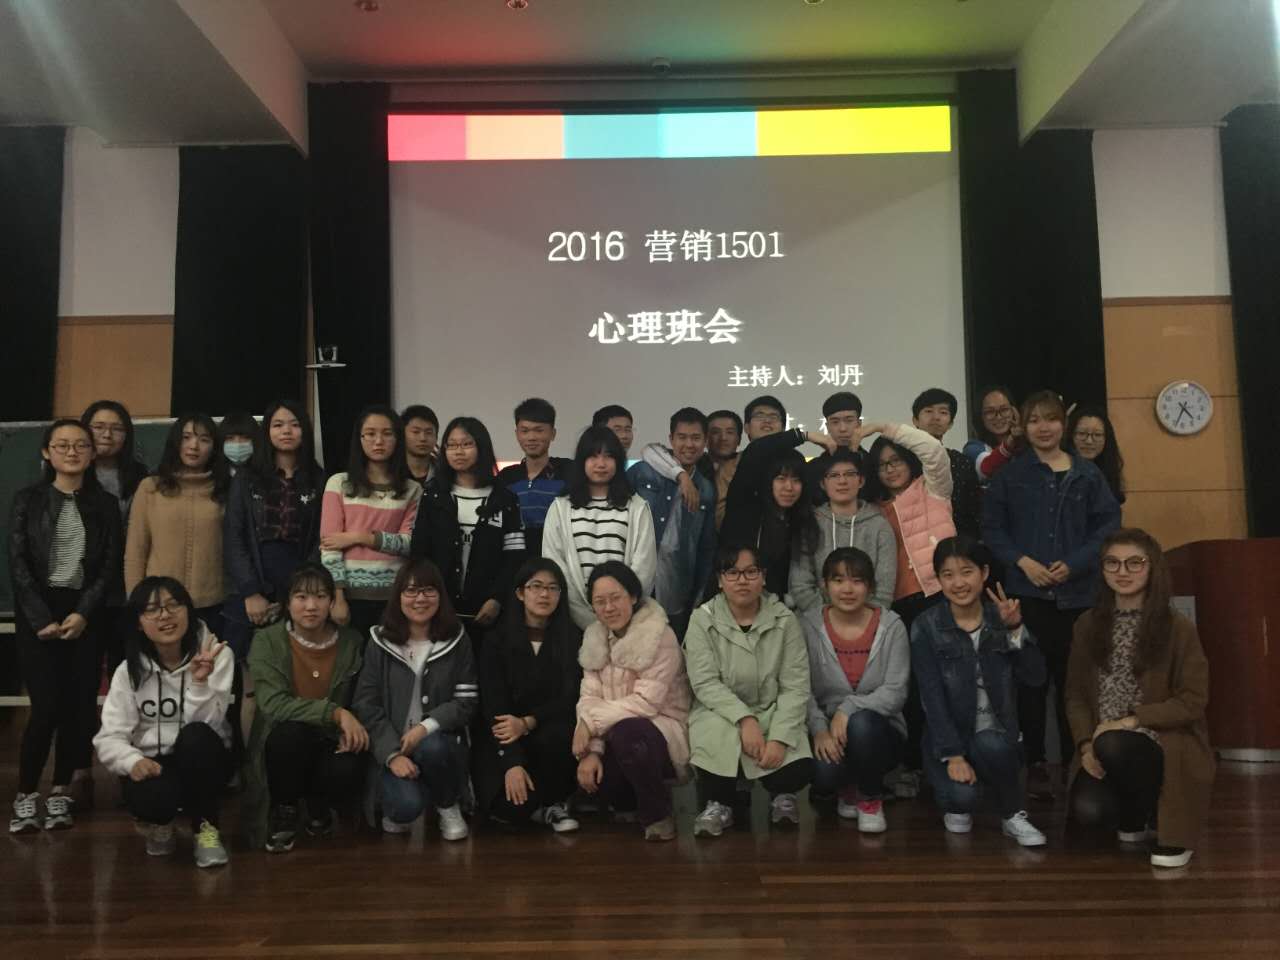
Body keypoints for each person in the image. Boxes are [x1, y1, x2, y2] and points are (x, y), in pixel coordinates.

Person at [983, 390, 1121, 794]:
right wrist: (1022, 561)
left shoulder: (1087, 474)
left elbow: (1107, 527)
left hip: (1078, 596)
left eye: (1051, 419)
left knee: (1073, 682)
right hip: (1026, 595)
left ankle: (1078, 760)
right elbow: (992, 528)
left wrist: (1075, 563)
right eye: (1034, 420)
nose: (1044, 427)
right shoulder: (1011, 475)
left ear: (1064, 424)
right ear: (1023, 427)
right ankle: (1037, 764)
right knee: (1030, 681)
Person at [1066, 529, 1213, 868]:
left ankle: (1164, 820)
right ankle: (1135, 815)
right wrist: (1086, 746)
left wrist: (1130, 721)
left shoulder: (1177, 627)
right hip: (1102, 741)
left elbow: (1193, 700)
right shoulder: (1087, 624)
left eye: (1135, 563)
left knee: (1116, 742)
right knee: (1089, 812)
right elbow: (1075, 696)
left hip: (1162, 737)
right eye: (1113, 563)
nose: (1123, 571)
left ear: (1152, 567)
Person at [9, 420, 122, 834]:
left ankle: (60, 791)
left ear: (92, 454)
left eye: (80, 445)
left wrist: (84, 613)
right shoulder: (28, 500)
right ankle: (26, 794)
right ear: (46, 452)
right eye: (62, 445)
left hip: (84, 614)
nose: (72, 452)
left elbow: (108, 564)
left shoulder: (104, 504)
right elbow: (18, 562)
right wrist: (41, 618)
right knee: (45, 710)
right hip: (37, 613)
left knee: (77, 709)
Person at [911, 537, 1048, 847]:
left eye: (967, 572)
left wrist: (1015, 629)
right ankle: (968, 792)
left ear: (984, 573)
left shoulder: (1002, 616)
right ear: (939, 579)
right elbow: (931, 696)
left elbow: (1035, 677)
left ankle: (1012, 813)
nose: (958, 583)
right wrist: (953, 754)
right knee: (962, 800)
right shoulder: (927, 625)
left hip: (998, 736)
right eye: (948, 574)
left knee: (991, 743)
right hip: (950, 739)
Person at [92, 576, 234, 867]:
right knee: (152, 796)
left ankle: (206, 830)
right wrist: (132, 760)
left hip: (203, 756)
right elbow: (109, 737)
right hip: (154, 762)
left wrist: (199, 683)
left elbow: (212, 726)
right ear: (138, 622)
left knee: (197, 736)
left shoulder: (216, 655)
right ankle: (160, 825)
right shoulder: (128, 671)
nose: (165, 615)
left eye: (173, 605)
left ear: (188, 611)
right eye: (152, 609)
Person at [685, 545, 814, 835]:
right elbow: (705, 683)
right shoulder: (701, 619)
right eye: (732, 572)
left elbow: (795, 687)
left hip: (771, 709)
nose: (742, 580)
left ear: (763, 577)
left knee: (795, 768)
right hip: (721, 712)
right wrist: (745, 719)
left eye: (751, 572)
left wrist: (779, 738)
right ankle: (720, 804)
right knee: (714, 748)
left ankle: (783, 795)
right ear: (720, 580)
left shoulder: (785, 619)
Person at [243, 563, 368, 852]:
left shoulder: (352, 641)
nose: (311, 606)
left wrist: (351, 723)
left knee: (350, 763)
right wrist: (335, 713)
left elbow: (363, 696)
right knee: (289, 736)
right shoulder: (267, 641)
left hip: (331, 738)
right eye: (301, 597)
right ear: (287, 603)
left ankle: (318, 806)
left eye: (321, 597)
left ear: (332, 601)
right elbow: (273, 704)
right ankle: (285, 810)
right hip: (285, 736)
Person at [353, 558, 475, 840]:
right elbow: (366, 705)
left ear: (440, 596)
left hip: (440, 743)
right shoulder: (379, 641)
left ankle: (447, 804)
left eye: (429, 590)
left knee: (432, 746)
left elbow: (467, 702)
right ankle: (411, 794)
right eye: (411, 591)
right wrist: (392, 754)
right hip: (393, 744)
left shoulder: (457, 638)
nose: (420, 599)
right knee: (403, 809)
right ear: (398, 597)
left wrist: (425, 727)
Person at [573, 561, 691, 841]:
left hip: (662, 729)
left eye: (616, 598)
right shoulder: (594, 637)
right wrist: (592, 751)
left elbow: (645, 702)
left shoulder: (659, 634)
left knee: (629, 734)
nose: (608, 608)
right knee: (593, 768)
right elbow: (589, 698)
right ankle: (626, 801)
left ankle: (658, 814)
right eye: (600, 601)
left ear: (634, 596)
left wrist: (588, 724)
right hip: (612, 731)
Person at [803, 547, 908, 833]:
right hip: (828, 731)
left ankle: (870, 798)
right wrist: (819, 729)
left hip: (880, 731)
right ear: (825, 585)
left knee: (862, 723)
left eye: (857, 581)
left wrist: (848, 709)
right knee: (824, 775)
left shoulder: (892, 626)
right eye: (838, 580)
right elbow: (801, 688)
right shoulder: (808, 625)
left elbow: (896, 691)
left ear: (870, 587)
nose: (847, 589)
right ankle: (847, 786)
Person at [476, 557, 582, 832]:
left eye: (553, 588)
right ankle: (538, 806)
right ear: (520, 593)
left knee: (560, 733)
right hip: (503, 736)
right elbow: (493, 704)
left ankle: (555, 803)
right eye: (536, 586)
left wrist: (528, 722)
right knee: (510, 809)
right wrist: (512, 762)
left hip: (549, 731)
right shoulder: (496, 639)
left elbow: (570, 697)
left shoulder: (573, 638)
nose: (544, 594)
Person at [223, 399, 325, 660]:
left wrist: (299, 592)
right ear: (267, 431)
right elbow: (234, 536)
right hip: (253, 583)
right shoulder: (246, 477)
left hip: (300, 586)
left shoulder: (318, 479)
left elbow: (321, 539)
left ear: (305, 430)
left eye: (294, 424)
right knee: (244, 663)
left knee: (293, 662)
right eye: (278, 425)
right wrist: (251, 591)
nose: (286, 431)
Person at [410, 416, 525, 631]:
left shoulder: (505, 499)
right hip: (438, 609)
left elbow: (515, 558)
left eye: (466, 444)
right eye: (451, 445)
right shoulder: (433, 496)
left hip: (489, 611)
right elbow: (419, 553)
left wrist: (497, 599)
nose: (458, 451)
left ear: (482, 447)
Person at [319, 405, 420, 638]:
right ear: (360, 439)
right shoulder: (339, 483)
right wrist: (337, 597)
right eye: (370, 433)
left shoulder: (412, 489)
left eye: (387, 433)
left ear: (398, 439)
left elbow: (408, 544)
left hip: (396, 598)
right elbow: (330, 546)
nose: (378, 441)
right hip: (348, 597)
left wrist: (360, 537)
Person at [542, 426, 656, 630]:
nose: (601, 464)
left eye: (608, 456)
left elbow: (644, 567)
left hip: (626, 621)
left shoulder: (636, 507)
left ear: (618, 461)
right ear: (581, 461)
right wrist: (587, 619)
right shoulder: (561, 507)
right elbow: (555, 564)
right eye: (593, 456)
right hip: (572, 620)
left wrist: (617, 610)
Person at [125, 413, 230, 626]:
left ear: (214, 447)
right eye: (186, 437)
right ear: (175, 442)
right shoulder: (151, 487)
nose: (194, 446)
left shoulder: (225, 489)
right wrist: (136, 602)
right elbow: (136, 551)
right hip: (159, 604)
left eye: (204, 439)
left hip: (213, 604)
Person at [626, 407, 716, 638]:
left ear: (705, 441)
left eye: (696, 438)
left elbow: (705, 548)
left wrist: (698, 594)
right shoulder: (643, 472)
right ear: (671, 439)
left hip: (677, 586)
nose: (689, 444)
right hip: (636, 581)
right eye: (682, 437)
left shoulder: (706, 489)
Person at [81, 400, 150, 680]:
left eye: (116, 429)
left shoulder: (141, 477)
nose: (107, 435)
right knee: (83, 674)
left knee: (126, 671)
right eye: (98, 427)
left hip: (126, 590)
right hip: (83, 590)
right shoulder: (72, 473)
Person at [789, 448, 896, 616]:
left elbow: (883, 591)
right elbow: (800, 586)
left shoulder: (880, 526)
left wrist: (864, 620)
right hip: (816, 621)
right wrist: (829, 619)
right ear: (822, 484)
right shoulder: (810, 524)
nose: (842, 481)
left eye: (850, 474)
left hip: (869, 621)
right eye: (834, 475)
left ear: (861, 480)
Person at [496, 398, 574, 557]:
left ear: (553, 434)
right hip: (514, 562)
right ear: (517, 434)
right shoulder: (506, 477)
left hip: (557, 559)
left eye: (539, 430)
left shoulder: (569, 472)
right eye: (524, 431)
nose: (531, 437)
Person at [912, 388, 982, 538]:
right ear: (915, 420)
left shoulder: (961, 462)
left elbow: (972, 512)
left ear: (950, 423)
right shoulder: (903, 460)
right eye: (928, 411)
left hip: (953, 541)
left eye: (943, 412)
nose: (936, 417)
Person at [808, 391, 863, 503]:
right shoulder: (813, 468)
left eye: (849, 420)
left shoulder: (872, 462)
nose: (842, 428)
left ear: (859, 424)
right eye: (835, 422)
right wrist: (804, 436)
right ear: (827, 426)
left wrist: (878, 427)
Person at [1067, 404, 1126, 506]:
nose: (1089, 441)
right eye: (1082, 433)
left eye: (1097, 435)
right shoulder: (1062, 473)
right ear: (1070, 435)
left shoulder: (1109, 473)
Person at [963, 385, 1022, 486]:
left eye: (1004, 410)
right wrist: (1010, 440)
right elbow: (986, 469)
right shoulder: (972, 448)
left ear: (1014, 411)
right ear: (981, 417)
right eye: (990, 412)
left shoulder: (1028, 445)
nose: (998, 417)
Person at [401, 404, 439, 487]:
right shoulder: (390, 473)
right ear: (402, 435)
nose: (423, 438)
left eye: (428, 432)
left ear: (436, 437)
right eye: (416, 432)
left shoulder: (444, 473)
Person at [218, 409, 259, 477]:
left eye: (245, 437)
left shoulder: (267, 473)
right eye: (230, 438)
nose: (237, 443)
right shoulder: (212, 474)